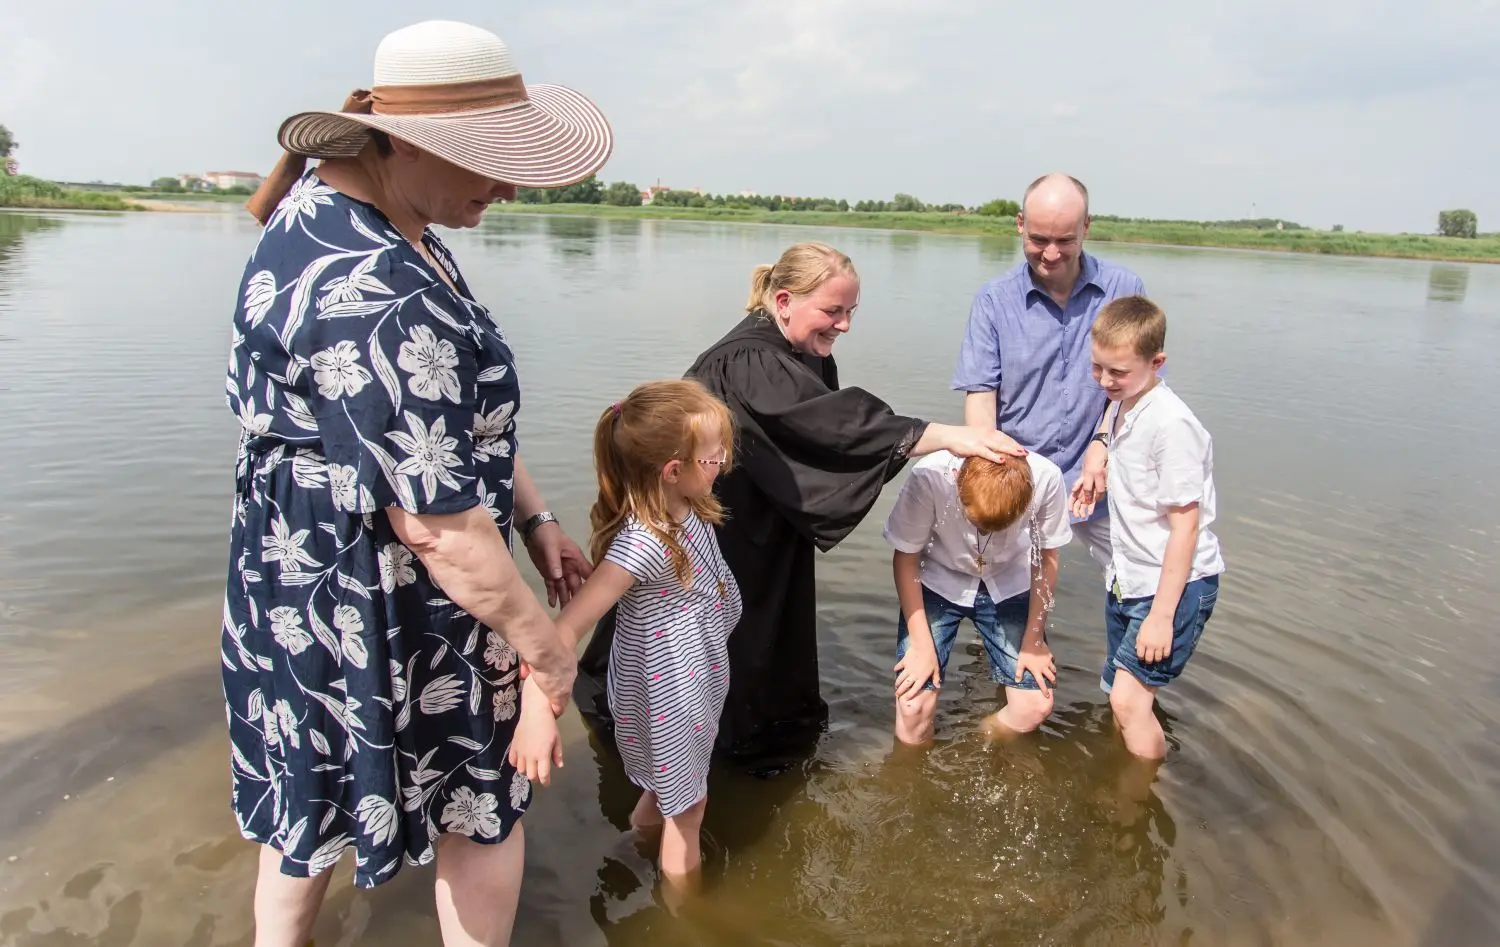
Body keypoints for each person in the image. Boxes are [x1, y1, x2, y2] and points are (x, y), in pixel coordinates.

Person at [222, 20, 612, 947]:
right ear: (402, 141)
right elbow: (439, 525)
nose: (507, 186)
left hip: (300, 573)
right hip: (383, 580)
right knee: (484, 800)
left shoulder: (345, 213)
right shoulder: (378, 284)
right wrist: (546, 656)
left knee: (309, 787)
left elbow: (450, 423)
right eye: (486, 163)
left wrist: (538, 514)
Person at [575, 241, 1027, 768]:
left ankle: (729, 744)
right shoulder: (749, 358)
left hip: (758, 527)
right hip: (718, 532)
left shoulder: (793, 350)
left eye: (850, 312)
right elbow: (833, 424)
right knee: (713, 648)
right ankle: (677, 754)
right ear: (784, 300)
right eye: (832, 311)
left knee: (753, 641)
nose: (844, 325)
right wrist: (943, 435)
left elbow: (819, 431)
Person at [511, 380, 742, 891]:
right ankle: (688, 917)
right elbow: (566, 629)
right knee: (690, 806)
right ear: (672, 470)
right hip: (668, 695)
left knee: (672, 792)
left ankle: (633, 844)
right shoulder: (642, 544)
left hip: (696, 683)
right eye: (711, 457)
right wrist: (534, 705)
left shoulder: (690, 512)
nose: (723, 462)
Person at [952, 173, 1147, 572]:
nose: (1052, 254)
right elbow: (980, 395)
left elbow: (1137, 389)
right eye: (1039, 240)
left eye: (1066, 241)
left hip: (1097, 477)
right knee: (987, 587)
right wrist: (990, 470)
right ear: (1020, 223)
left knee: (1144, 579)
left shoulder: (1123, 289)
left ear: (1086, 227)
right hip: (1018, 474)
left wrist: (1103, 443)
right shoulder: (993, 300)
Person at [1069, 296, 1225, 759]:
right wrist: (1098, 454)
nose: (1104, 381)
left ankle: (1147, 796)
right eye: (1097, 367)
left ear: (1157, 363)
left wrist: (1161, 617)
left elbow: (1186, 529)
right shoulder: (1123, 402)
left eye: (1117, 372)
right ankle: (1124, 777)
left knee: (1128, 701)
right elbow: (1112, 417)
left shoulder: (1172, 426)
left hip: (1172, 587)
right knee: (1121, 696)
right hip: (1129, 579)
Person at [883, 451, 1073, 745]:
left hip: (1008, 581)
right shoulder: (930, 475)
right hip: (938, 579)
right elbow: (905, 558)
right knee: (913, 707)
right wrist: (921, 646)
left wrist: (1033, 639)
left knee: (1035, 706)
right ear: (958, 483)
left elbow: (1046, 559)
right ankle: (909, 774)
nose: (983, 533)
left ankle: (981, 735)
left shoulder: (1047, 478)